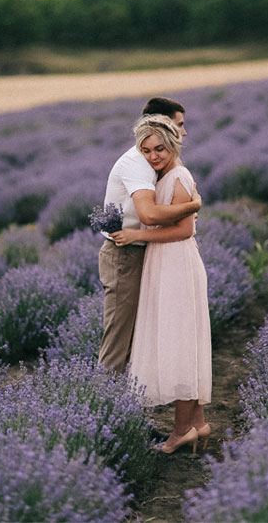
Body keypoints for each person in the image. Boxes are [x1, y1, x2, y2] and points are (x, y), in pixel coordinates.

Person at [112, 115, 212, 454]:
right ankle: (197, 424)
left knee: (179, 345)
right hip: (165, 262)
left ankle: (182, 431)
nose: (153, 155)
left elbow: (184, 230)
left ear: (173, 145)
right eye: (146, 150)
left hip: (177, 264)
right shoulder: (163, 177)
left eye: (159, 148)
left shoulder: (179, 176)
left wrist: (137, 234)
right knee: (181, 340)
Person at [97, 97, 200, 374]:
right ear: (161, 124)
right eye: (179, 125)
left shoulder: (154, 162)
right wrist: (193, 205)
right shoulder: (138, 163)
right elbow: (149, 215)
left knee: (138, 336)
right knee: (118, 340)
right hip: (124, 254)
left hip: (142, 250)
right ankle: (102, 406)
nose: (185, 131)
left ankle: (124, 405)